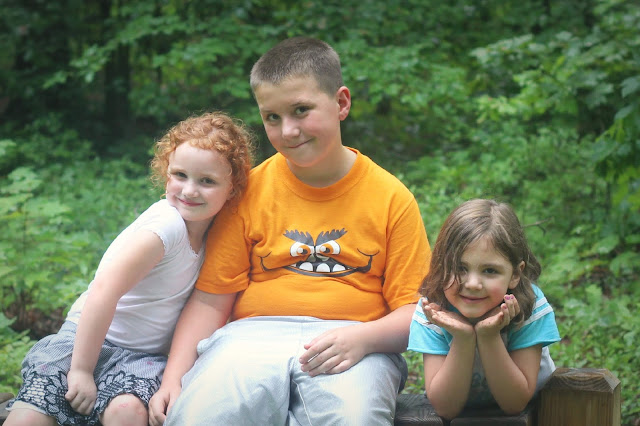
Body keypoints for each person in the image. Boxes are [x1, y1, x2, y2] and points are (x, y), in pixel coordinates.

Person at [149, 36, 431, 426]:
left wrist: (365, 339)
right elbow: (211, 300)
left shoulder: (391, 199)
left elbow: (414, 310)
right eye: (272, 117)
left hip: (354, 342)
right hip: (250, 339)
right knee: (200, 416)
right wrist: (173, 378)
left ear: (341, 103)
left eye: (301, 110)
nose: (288, 131)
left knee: (355, 418)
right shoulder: (248, 192)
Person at [4, 111, 254, 426]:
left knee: (128, 412)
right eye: (180, 175)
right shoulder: (166, 227)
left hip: (142, 358)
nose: (190, 190)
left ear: (232, 188)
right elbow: (104, 291)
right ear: (166, 173)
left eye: (207, 181)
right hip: (90, 339)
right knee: (33, 413)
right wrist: (81, 370)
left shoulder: (217, 236)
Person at [408, 199, 561, 420]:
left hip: (538, 415)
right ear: (441, 265)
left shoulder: (528, 306)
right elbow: (445, 408)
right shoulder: (433, 310)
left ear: (515, 274)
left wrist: (489, 336)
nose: (472, 284)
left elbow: (514, 403)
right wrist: (462, 338)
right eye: (460, 268)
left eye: (489, 270)